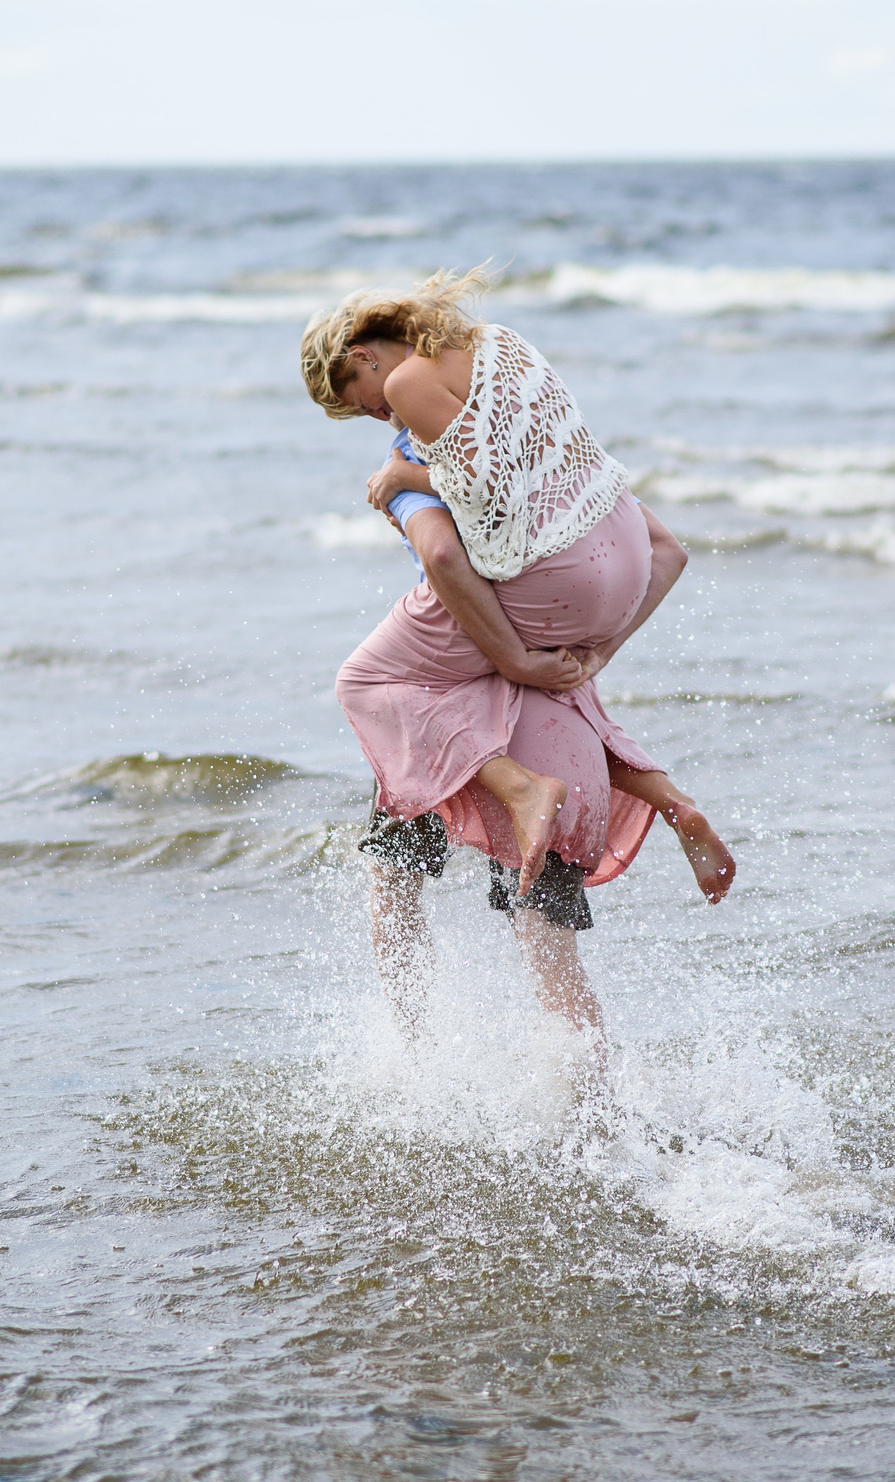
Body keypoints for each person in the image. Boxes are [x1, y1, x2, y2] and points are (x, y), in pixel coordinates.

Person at [299, 271, 736, 1043]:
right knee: (549, 942)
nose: (375, 416)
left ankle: (411, 1059)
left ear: (366, 358)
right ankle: (595, 1122)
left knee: (376, 718)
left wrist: (404, 478)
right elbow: (664, 549)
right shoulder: (512, 385)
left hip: (469, 703)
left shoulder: (411, 434)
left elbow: (446, 542)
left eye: (360, 402)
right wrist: (592, 649)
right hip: (589, 625)